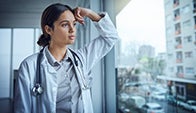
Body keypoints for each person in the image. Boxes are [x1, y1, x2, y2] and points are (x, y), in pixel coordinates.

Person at [14, 3, 119, 113]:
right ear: (48, 29)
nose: (72, 29)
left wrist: (89, 13)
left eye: (74, 24)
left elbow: (111, 36)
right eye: (65, 25)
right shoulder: (29, 66)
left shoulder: (81, 59)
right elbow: (22, 109)